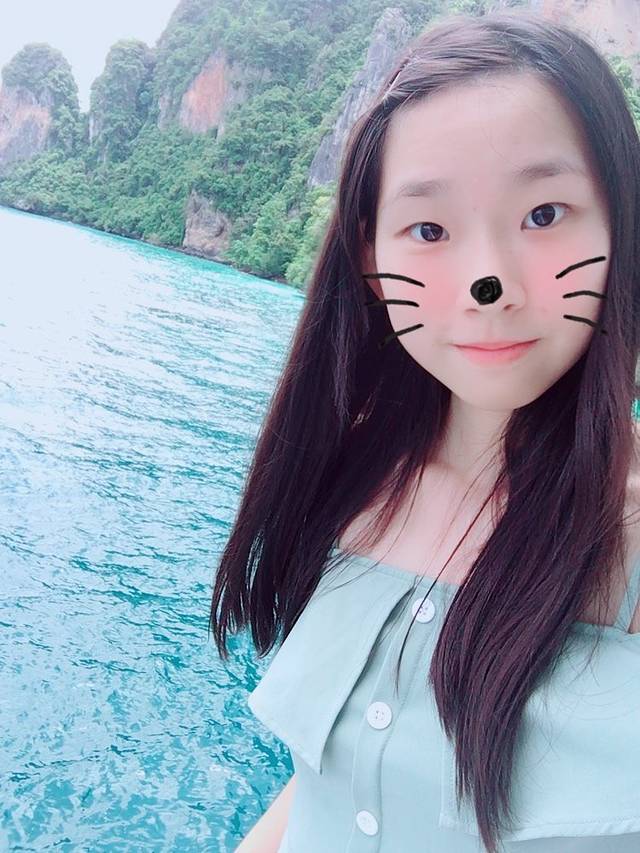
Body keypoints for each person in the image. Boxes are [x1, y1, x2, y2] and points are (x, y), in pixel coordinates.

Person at [210, 9, 640, 853]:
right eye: (430, 229)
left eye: (544, 213)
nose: (489, 283)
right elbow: (322, 787)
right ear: (372, 261)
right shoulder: (353, 472)